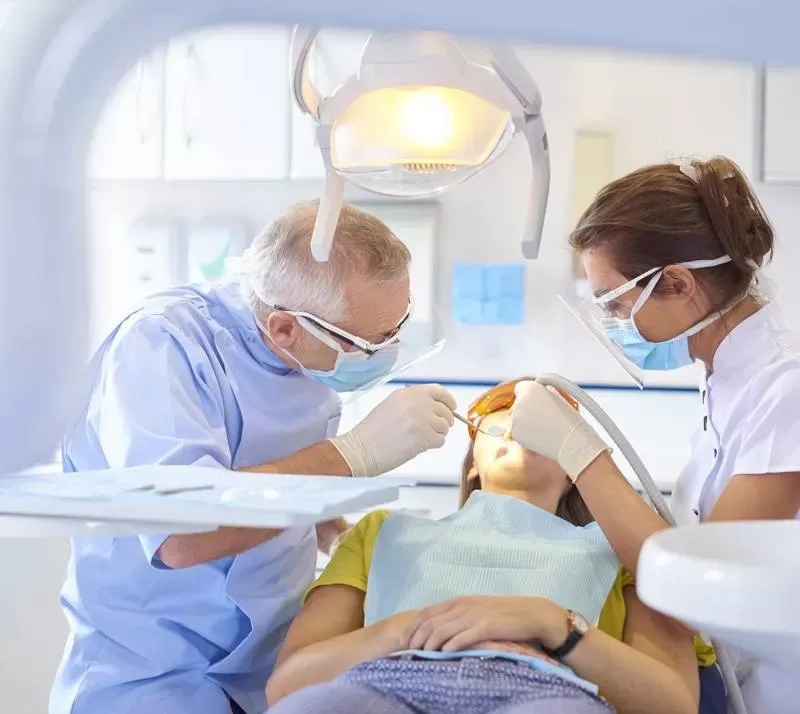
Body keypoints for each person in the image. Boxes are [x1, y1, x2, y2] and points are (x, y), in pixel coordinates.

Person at [50, 201, 457, 714]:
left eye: (398, 327)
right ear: (284, 328)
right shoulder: (160, 347)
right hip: (152, 674)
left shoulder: (309, 353)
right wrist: (355, 454)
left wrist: (337, 532)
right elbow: (182, 535)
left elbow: (274, 468)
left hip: (267, 670)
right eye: (369, 344)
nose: (389, 351)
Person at [508, 156, 800, 714]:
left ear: (676, 282)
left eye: (615, 302)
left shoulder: (786, 390)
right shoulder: (725, 377)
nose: (615, 322)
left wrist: (581, 453)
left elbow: (703, 578)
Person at [265, 379, 720, 714]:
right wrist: (408, 629)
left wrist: (553, 625)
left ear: (574, 471)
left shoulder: (626, 551)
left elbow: (673, 704)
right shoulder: (381, 533)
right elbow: (287, 687)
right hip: (387, 680)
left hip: (546, 693)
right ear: (472, 468)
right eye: (503, 413)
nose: (521, 422)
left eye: (549, 426)